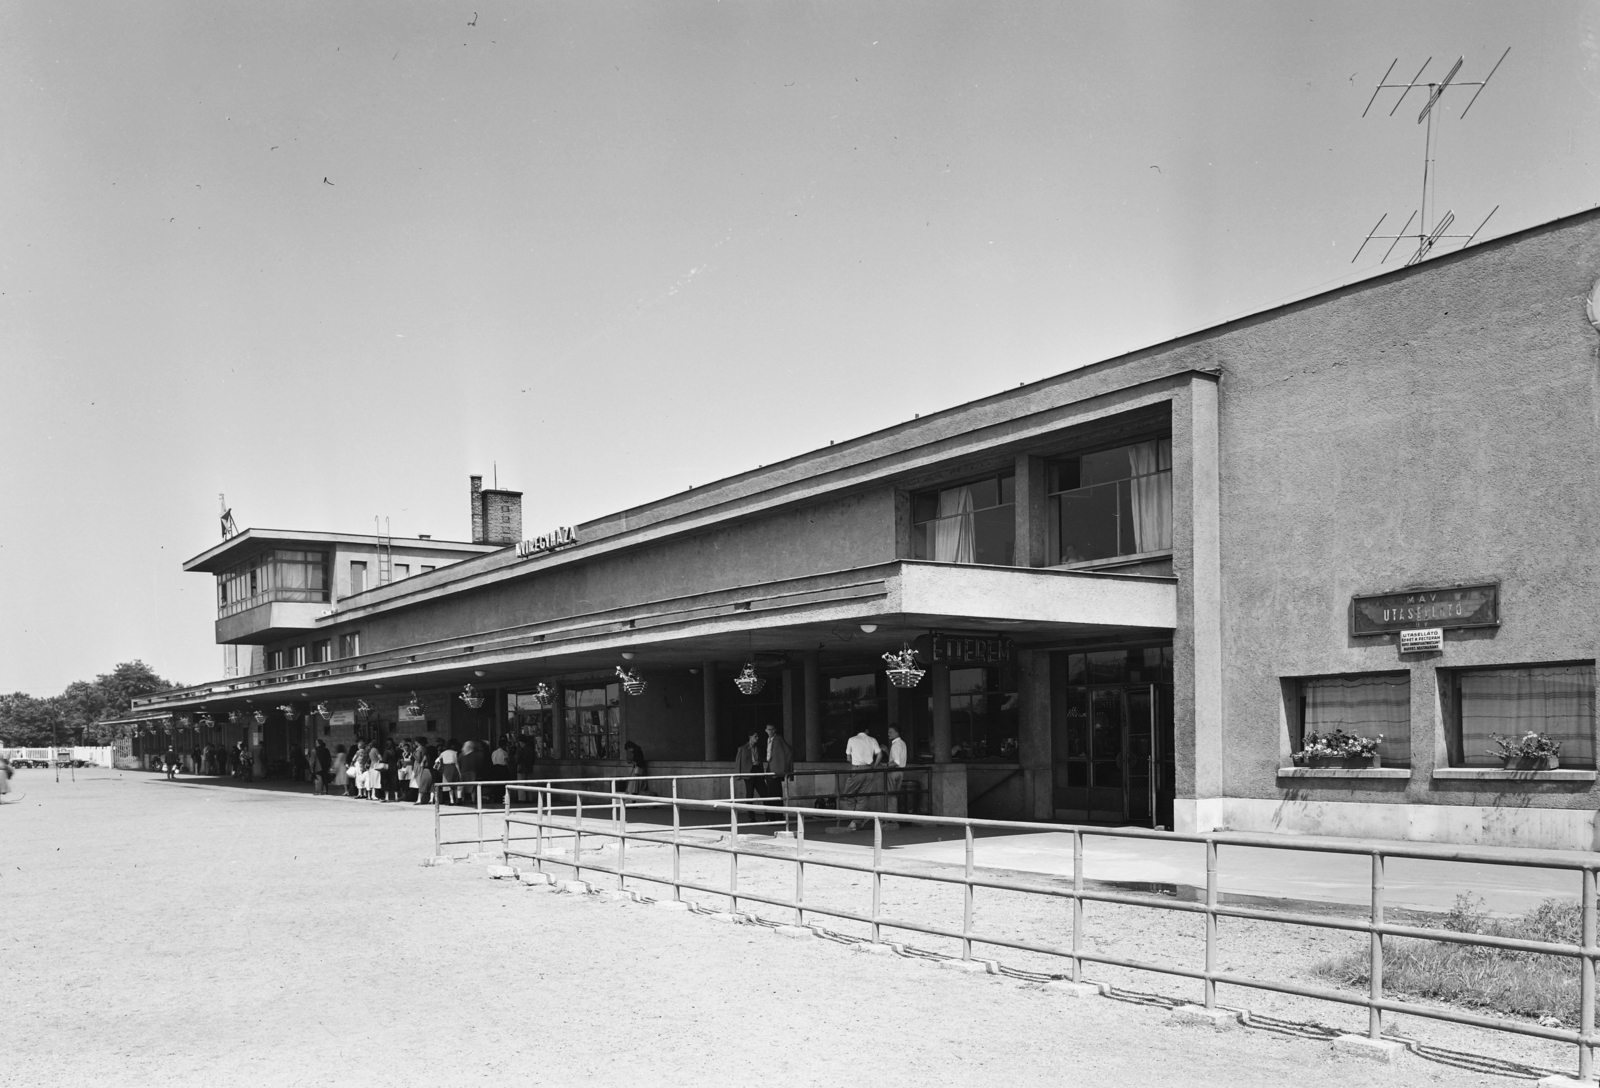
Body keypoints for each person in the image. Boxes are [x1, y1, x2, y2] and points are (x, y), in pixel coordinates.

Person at [840, 728, 882, 832]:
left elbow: (848, 758)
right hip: (869, 770)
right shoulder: (872, 740)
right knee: (863, 797)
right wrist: (874, 766)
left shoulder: (852, 740)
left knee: (847, 794)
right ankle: (859, 817)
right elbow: (880, 755)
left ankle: (857, 819)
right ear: (867, 730)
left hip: (857, 769)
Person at [763, 723, 794, 818]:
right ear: (766, 730)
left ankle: (777, 816)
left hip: (775, 768)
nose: (770, 731)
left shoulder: (777, 740)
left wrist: (782, 768)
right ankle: (773, 816)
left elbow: (787, 751)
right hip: (770, 766)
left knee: (775, 792)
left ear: (775, 730)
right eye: (768, 729)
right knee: (772, 792)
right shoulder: (770, 739)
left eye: (772, 729)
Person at [884, 725, 908, 828]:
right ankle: (894, 817)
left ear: (896, 733)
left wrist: (885, 765)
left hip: (893, 771)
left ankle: (892, 819)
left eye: (890, 732)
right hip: (900, 772)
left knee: (891, 794)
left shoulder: (895, 745)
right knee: (894, 794)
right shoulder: (902, 743)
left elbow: (896, 761)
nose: (888, 734)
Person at [733, 733, 764, 799]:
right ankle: (749, 809)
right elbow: (739, 762)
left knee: (764, 791)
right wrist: (738, 775)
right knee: (750, 792)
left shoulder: (758, 748)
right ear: (750, 737)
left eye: (758, 736)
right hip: (749, 771)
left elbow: (761, 762)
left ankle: (768, 807)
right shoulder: (742, 748)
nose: (757, 738)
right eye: (755, 736)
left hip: (758, 769)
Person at [412, 742, 435, 806]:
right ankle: (431, 799)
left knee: (422, 785)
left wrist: (420, 773)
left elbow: (422, 764)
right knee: (432, 786)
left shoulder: (426, 756)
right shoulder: (434, 756)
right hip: (433, 771)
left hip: (426, 771)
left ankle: (419, 800)